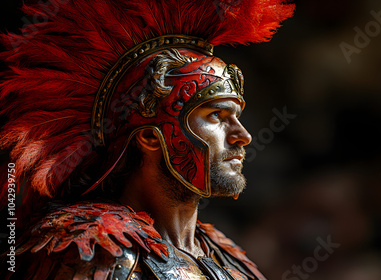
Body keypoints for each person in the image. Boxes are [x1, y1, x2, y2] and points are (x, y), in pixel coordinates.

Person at [0, 0, 294, 279]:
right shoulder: (96, 246)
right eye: (216, 116)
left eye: (237, 116)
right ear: (151, 138)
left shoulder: (228, 255)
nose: (243, 135)